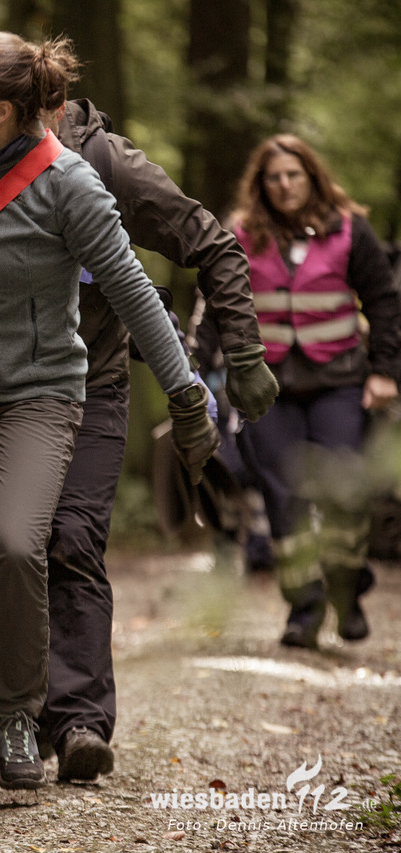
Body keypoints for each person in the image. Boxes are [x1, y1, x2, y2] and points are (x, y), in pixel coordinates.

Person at [0, 91, 276, 781]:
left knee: (63, 538)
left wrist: (236, 360)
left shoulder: (101, 165)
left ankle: (75, 718)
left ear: (12, 107)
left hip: (79, 380)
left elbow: (196, 254)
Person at [228, 134, 401, 649]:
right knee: (284, 494)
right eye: (274, 177)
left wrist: (385, 369)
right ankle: (304, 606)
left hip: (340, 383)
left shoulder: (350, 230)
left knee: (344, 483)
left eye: (294, 175)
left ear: (312, 177)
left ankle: (346, 588)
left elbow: (384, 300)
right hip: (270, 388)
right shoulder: (240, 234)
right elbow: (221, 305)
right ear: (260, 184)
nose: (284, 185)